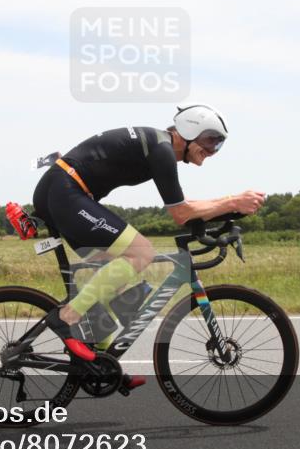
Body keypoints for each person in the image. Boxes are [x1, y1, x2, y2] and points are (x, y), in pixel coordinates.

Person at [31, 104, 266, 392]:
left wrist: (228, 213)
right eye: (210, 140)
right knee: (142, 253)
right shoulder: (162, 150)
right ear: (190, 130)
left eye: (218, 144)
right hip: (66, 190)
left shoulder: (161, 147)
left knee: (109, 281)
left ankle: (102, 363)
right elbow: (181, 213)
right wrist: (232, 202)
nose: (213, 149)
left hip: (64, 190)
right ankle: (67, 318)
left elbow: (186, 208)